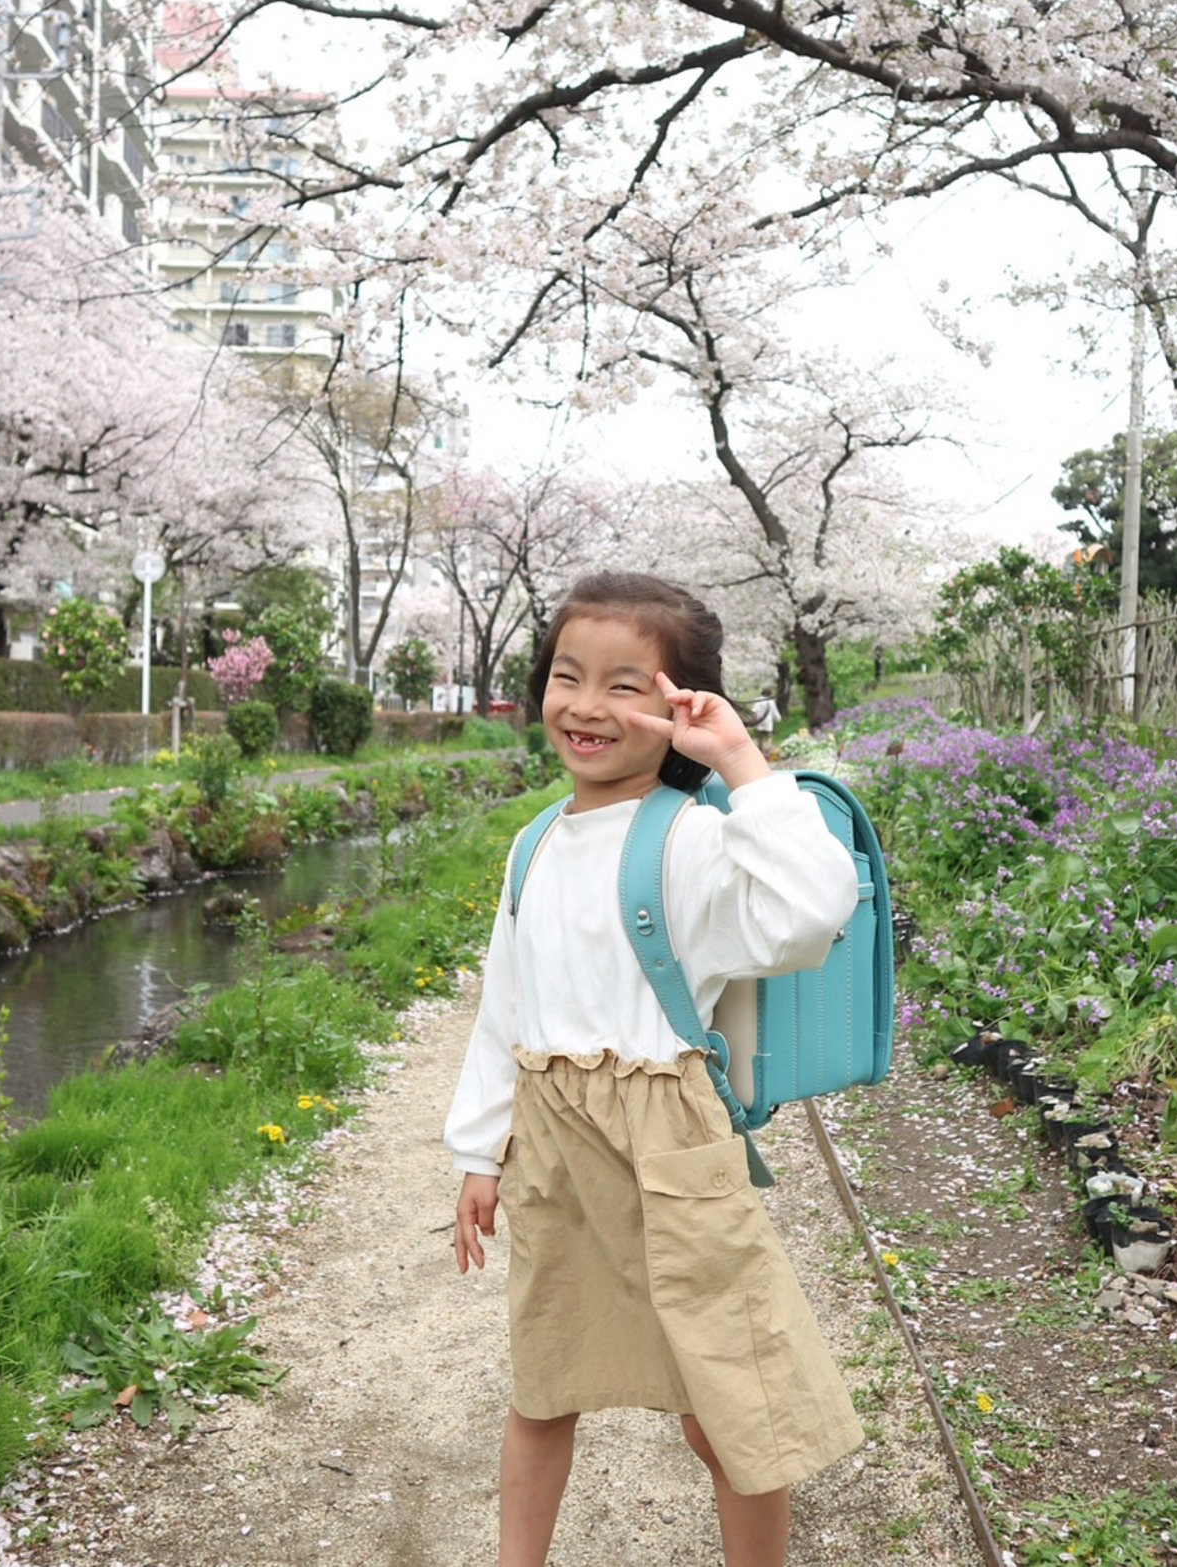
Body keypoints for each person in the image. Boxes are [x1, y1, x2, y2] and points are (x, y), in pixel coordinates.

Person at [445, 571, 864, 1567]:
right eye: (567, 675)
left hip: (671, 1150)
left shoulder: (695, 840)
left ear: (681, 706)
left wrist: (743, 765)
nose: (586, 705)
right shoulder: (532, 844)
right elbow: (507, 1005)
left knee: (727, 1407)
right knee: (543, 1384)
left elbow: (815, 912)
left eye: (625, 685)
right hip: (556, 1148)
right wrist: (478, 1151)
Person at [749, 690, 781, 758]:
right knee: (769, 736)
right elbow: (774, 711)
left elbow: (754, 711)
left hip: (760, 721)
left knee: (760, 736)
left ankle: (761, 750)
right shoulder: (771, 701)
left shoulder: (758, 700)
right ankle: (767, 748)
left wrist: (753, 719)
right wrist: (778, 718)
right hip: (768, 722)